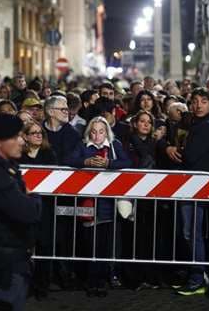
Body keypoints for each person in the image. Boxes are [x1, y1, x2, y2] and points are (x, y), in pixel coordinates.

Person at [0, 113, 42, 311]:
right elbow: (28, 212)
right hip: (3, 263)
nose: (22, 141)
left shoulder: (6, 168)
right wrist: (35, 199)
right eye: (15, 137)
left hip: (12, 257)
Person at [68, 116, 132, 297]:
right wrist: (85, 162)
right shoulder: (83, 145)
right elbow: (69, 160)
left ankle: (101, 280)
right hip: (89, 203)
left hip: (109, 204)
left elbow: (127, 162)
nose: (97, 135)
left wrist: (109, 164)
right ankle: (91, 280)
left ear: (106, 132)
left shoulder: (114, 145)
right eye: (94, 131)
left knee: (105, 245)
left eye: (101, 131)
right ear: (89, 132)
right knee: (91, 244)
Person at [165, 88, 209, 296]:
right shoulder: (196, 124)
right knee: (189, 231)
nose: (198, 105)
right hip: (190, 185)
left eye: (203, 101)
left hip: (196, 186)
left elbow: (189, 156)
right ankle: (195, 274)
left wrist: (169, 148)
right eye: (195, 101)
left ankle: (198, 277)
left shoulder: (207, 127)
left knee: (192, 232)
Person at [20, 121, 57, 298]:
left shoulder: (49, 154)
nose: (38, 135)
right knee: (24, 246)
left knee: (44, 245)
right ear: (25, 136)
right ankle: (25, 285)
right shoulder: (18, 155)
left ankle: (42, 286)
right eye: (33, 133)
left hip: (45, 207)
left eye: (40, 132)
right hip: (23, 207)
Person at [43, 95, 82, 166]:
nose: (67, 112)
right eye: (63, 109)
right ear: (50, 112)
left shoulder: (74, 134)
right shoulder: (38, 131)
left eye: (67, 109)